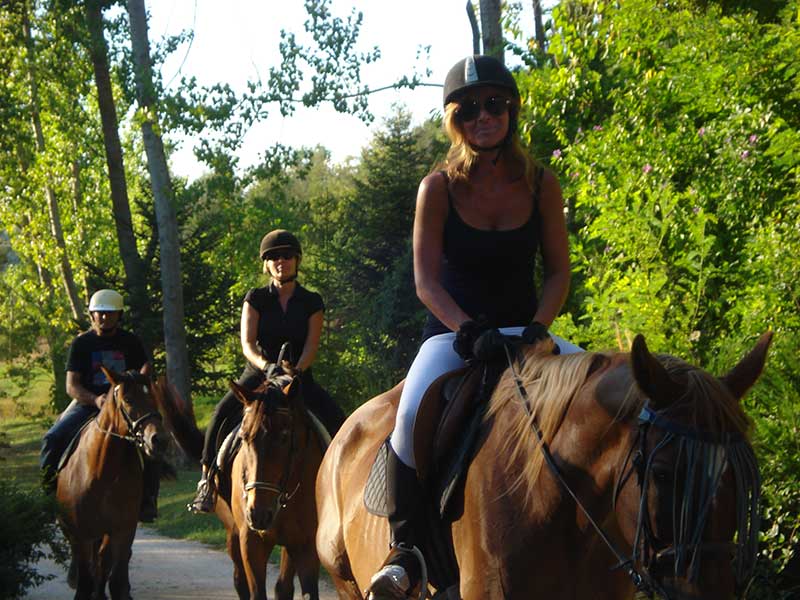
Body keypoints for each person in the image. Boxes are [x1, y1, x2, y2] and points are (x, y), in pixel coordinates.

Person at [367, 55, 583, 599]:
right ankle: (406, 548)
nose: (482, 117)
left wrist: (538, 326)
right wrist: (468, 330)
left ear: (511, 111)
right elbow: (425, 280)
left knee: (598, 398)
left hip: (526, 336)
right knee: (412, 411)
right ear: (454, 121)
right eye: (468, 110)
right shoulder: (437, 188)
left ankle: (600, 539)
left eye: (494, 105)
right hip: (452, 337)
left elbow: (558, 272)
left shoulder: (541, 184)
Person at [189, 229, 346, 513]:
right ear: (266, 264)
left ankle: (344, 486)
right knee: (221, 412)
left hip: (297, 377)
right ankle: (206, 481)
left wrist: (296, 370)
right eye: (273, 257)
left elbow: (311, 345)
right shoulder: (256, 298)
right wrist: (267, 366)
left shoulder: (312, 302)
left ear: (297, 260)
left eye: (286, 256)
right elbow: (247, 344)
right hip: (259, 374)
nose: (280, 261)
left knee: (337, 419)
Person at [40, 288, 159, 522]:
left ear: (119, 315)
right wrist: (96, 399)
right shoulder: (82, 343)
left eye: (110, 313)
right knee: (52, 439)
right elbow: (72, 385)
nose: (104, 318)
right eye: (100, 313)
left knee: (152, 445)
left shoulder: (130, 342)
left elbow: (143, 372)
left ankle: (147, 501)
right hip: (87, 403)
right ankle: (49, 498)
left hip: (125, 407)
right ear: (92, 315)